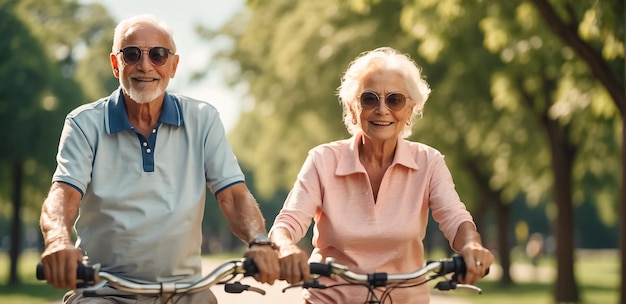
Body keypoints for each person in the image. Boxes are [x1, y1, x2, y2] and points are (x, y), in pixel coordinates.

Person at [39, 14, 280, 304]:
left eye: (158, 55)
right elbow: (63, 194)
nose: (145, 65)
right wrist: (57, 241)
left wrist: (260, 241)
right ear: (116, 65)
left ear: (173, 65)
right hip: (106, 291)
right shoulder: (84, 123)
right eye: (131, 54)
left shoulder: (202, 119)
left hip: (186, 292)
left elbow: (233, 195)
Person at [269, 47, 494, 304]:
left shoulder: (429, 162)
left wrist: (471, 246)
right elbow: (287, 222)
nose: (382, 109)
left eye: (395, 100)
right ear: (353, 109)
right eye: (369, 99)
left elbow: (456, 219)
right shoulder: (322, 160)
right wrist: (286, 248)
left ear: (410, 110)